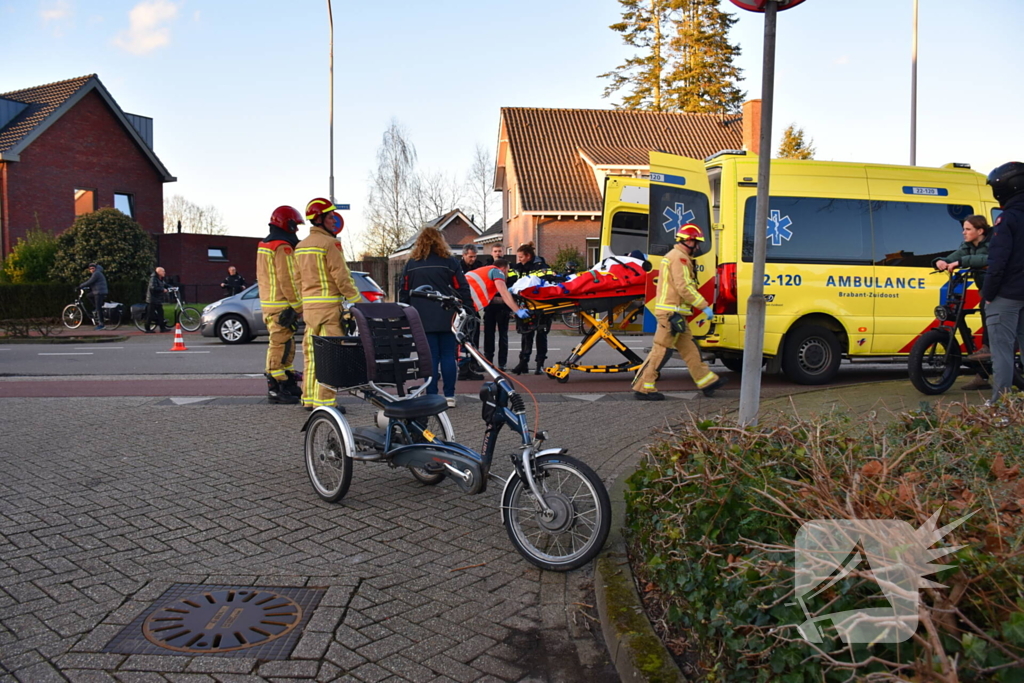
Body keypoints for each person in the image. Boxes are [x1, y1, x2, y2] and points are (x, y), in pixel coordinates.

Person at [632, 224, 728, 400]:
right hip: (671, 314)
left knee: (691, 350)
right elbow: (684, 287)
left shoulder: (677, 257)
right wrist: (704, 306)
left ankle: (707, 382)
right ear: (687, 241)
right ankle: (644, 387)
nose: (697, 247)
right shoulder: (679, 258)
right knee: (661, 350)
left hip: (677, 314)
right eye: (695, 242)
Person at [296, 198, 361, 410]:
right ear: (320, 219)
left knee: (311, 355)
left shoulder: (300, 246)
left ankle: (308, 399)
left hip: (310, 310)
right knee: (330, 357)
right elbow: (341, 277)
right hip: (329, 310)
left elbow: (297, 280)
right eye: (331, 216)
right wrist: (357, 302)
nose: (334, 220)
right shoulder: (330, 244)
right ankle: (326, 404)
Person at [399, 227, 471, 407]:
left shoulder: (412, 264)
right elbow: (462, 287)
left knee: (430, 356)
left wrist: (405, 313)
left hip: (421, 316)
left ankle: (431, 395)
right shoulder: (450, 262)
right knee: (448, 355)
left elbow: (404, 291)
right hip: (447, 313)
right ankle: (449, 396)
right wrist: (468, 308)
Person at [982, 162, 1024, 404]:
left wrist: (988, 293)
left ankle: (1000, 404)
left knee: (1002, 351)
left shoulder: (1008, 219)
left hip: (1007, 294)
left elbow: (998, 261)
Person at [933, 215, 992, 389]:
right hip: (986, 289)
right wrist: (941, 261)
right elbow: (956, 255)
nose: (963, 232)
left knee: (987, 309)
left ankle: (988, 347)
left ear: (980, 231)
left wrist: (961, 262)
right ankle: (982, 375)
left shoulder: (992, 243)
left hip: (1001, 289)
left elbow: (988, 259)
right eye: (964, 229)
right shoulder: (968, 246)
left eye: (968, 229)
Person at [257, 206, 305, 404]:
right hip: (282, 304)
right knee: (279, 345)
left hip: (272, 302)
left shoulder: (265, 244)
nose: (297, 231)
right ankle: (276, 386)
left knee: (285, 344)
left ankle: (285, 382)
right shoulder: (282, 247)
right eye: (295, 226)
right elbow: (287, 279)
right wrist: (297, 306)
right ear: (289, 224)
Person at [466, 258, 531, 374]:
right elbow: (504, 294)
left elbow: (493, 298)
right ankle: (468, 369)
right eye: (507, 271)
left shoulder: (484, 272)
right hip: (468, 305)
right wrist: (517, 310)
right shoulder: (497, 272)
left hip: (465, 303)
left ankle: (470, 367)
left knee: (467, 337)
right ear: (504, 268)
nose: (506, 275)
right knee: (467, 338)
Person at [510, 242, 555, 375]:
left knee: (541, 336)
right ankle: (523, 363)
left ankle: (539, 365)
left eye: (521, 257)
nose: (519, 260)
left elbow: (547, 284)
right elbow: (512, 283)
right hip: (525, 306)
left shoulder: (542, 268)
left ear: (528, 256)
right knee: (526, 335)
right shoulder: (517, 268)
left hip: (541, 307)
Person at [483, 245, 512, 370]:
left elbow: (512, 286)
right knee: (488, 335)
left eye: (500, 251)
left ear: (503, 252)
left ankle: (502, 363)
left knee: (503, 336)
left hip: (503, 308)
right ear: (491, 252)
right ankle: (488, 361)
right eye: (495, 251)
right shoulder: (486, 267)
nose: (498, 253)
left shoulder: (508, 268)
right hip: (489, 307)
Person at [79, 263, 108, 330]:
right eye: (90, 269)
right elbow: (93, 283)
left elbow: (90, 281)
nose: (92, 270)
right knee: (89, 295)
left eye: (93, 268)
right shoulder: (97, 273)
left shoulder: (96, 273)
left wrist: (81, 286)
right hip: (99, 291)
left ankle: (101, 324)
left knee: (98, 307)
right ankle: (96, 309)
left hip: (99, 292)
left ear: (95, 268)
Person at [145, 267, 171, 333]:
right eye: (163, 271)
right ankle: (147, 329)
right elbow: (153, 288)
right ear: (159, 272)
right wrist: (162, 290)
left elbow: (165, 284)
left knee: (161, 314)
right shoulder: (153, 279)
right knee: (150, 315)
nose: (164, 273)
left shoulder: (160, 279)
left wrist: (171, 287)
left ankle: (162, 328)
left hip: (158, 300)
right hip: (152, 300)